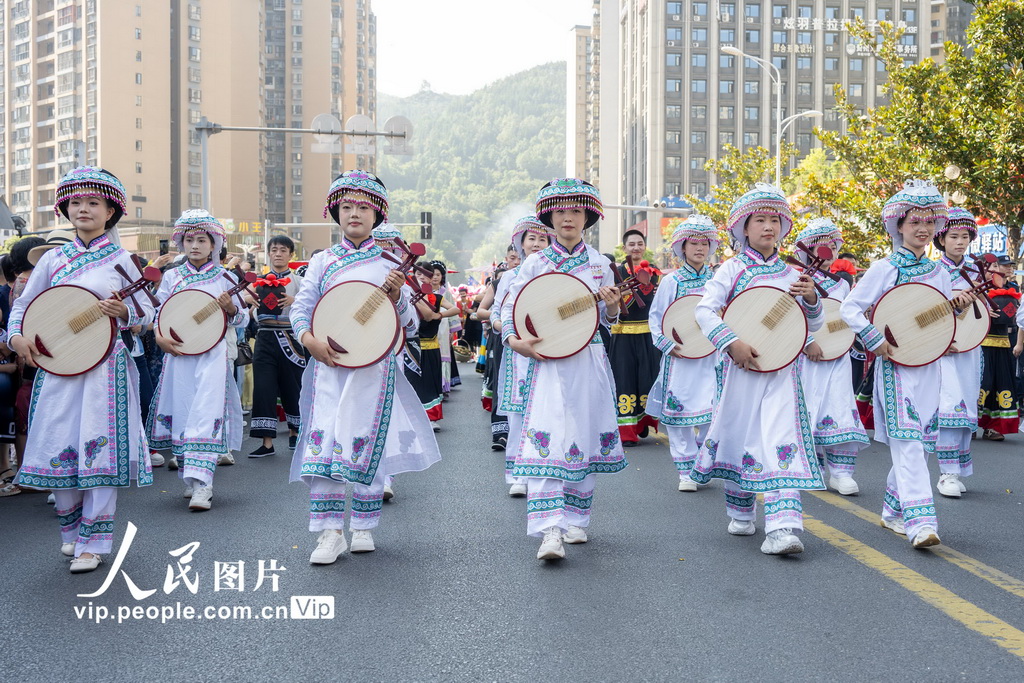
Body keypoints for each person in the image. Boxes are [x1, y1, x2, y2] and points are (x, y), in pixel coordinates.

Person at [8, 166, 155, 573]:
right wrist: (18, 339)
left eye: (93, 202)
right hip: (57, 367)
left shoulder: (124, 260)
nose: (83, 209)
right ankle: (71, 534)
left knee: (99, 447)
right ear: (65, 209)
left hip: (105, 370)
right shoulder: (53, 258)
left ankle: (95, 541)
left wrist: (124, 309)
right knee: (61, 444)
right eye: (76, 202)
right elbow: (24, 306)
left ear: (111, 211)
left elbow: (147, 311)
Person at [289, 170, 440, 564]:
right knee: (325, 443)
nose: (354, 213)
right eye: (347, 206)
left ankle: (363, 527)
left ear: (377, 216)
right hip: (330, 364)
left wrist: (397, 297)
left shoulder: (391, 264)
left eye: (363, 207)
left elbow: (409, 324)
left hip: (374, 369)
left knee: (365, 440)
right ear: (336, 213)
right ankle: (329, 533)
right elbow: (301, 310)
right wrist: (309, 341)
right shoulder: (321, 261)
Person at [691, 184, 824, 556]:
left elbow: (811, 327)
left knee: (782, 438)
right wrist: (730, 341)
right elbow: (704, 310)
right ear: (743, 229)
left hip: (783, 374)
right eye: (760, 220)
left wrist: (812, 299)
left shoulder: (794, 274)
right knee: (741, 435)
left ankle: (782, 528)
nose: (769, 227)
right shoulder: (731, 269)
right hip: (741, 369)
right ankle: (741, 509)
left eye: (775, 220)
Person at [501, 178, 627, 560]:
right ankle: (548, 530)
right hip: (547, 364)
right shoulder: (535, 263)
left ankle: (576, 519)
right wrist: (513, 340)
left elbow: (609, 320)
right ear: (549, 216)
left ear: (586, 217)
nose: (567, 217)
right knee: (548, 435)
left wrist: (612, 304)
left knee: (583, 435)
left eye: (575, 210)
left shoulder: (600, 264)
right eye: (560, 210)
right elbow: (511, 309)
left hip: (587, 359)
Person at [840, 180, 966, 549]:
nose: (922, 229)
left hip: (930, 365)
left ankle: (894, 511)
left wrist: (951, 325)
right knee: (909, 440)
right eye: (914, 222)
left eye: (928, 222)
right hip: (895, 367)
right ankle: (921, 522)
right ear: (899, 226)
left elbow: (941, 317)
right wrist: (875, 339)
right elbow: (850, 308)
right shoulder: (884, 267)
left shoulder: (939, 271)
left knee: (922, 442)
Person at [148, 210, 247, 511]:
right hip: (179, 356)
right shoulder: (172, 277)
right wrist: (159, 337)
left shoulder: (226, 278)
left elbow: (242, 317)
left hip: (213, 356)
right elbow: (158, 315)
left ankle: (204, 484)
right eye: (189, 239)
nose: (195, 245)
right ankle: (190, 480)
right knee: (183, 413)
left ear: (214, 243)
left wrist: (231, 308)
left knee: (205, 414)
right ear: (180, 242)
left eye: (201, 239)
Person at [795, 219, 869, 496]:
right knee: (809, 408)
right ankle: (812, 467)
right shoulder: (796, 280)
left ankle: (841, 473)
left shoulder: (842, 285)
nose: (825, 253)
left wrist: (845, 339)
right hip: (805, 359)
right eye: (818, 248)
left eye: (831, 247)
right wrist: (808, 341)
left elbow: (845, 319)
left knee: (839, 408)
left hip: (838, 357)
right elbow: (786, 321)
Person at [646, 215, 719, 491]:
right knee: (679, 415)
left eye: (705, 243)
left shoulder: (717, 279)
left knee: (714, 413)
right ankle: (686, 470)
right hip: (680, 357)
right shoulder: (671, 281)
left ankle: (703, 459)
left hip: (712, 356)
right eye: (694, 243)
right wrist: (666, 344)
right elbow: (657, 317)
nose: (700, 248)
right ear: (683, 247)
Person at [491, 216, 551, 494]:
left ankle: (544, 469)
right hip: (519, 355)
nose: (537, 244)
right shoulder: (510, 277)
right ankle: (517, 475)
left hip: (550, 351)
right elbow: (496, 312)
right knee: (517, 414)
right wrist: (510, 332)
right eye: (532, 239)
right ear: (521, 244)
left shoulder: (556, 274)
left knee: (547, 413)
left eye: (542, 239)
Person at [933, 208, 984, 498]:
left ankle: (960, 469)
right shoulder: (934, 271)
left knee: (966, 407)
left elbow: (981, 314)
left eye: (965, 236)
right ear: (941, 240)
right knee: (950, 407)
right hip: (944, 349)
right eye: (954, 236)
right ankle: (946, 473)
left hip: (970, 348)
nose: (960, 242)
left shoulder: (977, 271)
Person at [249, 235, 306, 457]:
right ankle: (266, 442)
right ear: (269, 254)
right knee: (263, 388)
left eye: (283, 250)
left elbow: (313, 308)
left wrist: (296, 301)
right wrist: (251, 304)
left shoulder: (300, 283)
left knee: (293, 386)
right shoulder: (257, 284)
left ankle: (295, 432)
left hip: (291, 338)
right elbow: (249, 315)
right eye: (274, 250)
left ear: (291, 254)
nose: (278, 253)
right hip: (264, 338)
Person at [608, 229, 662, 446]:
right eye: (632, 244)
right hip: (622, 335)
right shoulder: (615, 273)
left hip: (648, 335)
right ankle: (626, 431)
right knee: (625, 381)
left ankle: (642, 423)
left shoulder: (655, 273)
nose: (636, 248)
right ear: (624, 248)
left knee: (648, 380)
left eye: (640, 243)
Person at [979, 254, 1020, 440]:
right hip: (979, 343)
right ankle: (969, 423)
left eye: (997, 265)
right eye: (991, 266)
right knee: (981, 383)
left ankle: (994, 427)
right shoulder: (973, 288)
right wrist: (981, 310)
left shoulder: (1012, 288)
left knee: (1001, 383)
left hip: (1003, 340)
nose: (995, 269)